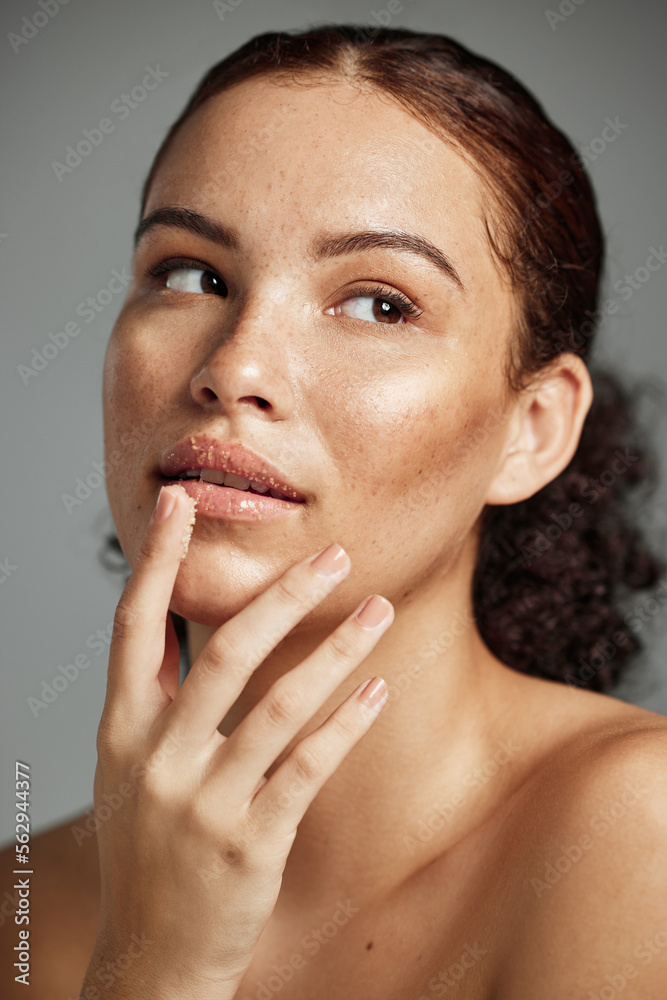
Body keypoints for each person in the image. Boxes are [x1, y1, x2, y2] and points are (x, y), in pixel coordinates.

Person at [2, 23, 666, 1000]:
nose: (234, 369)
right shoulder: (19, 907)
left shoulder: (637, 834)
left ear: (530, 429)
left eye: (380, 304)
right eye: (191, 275)